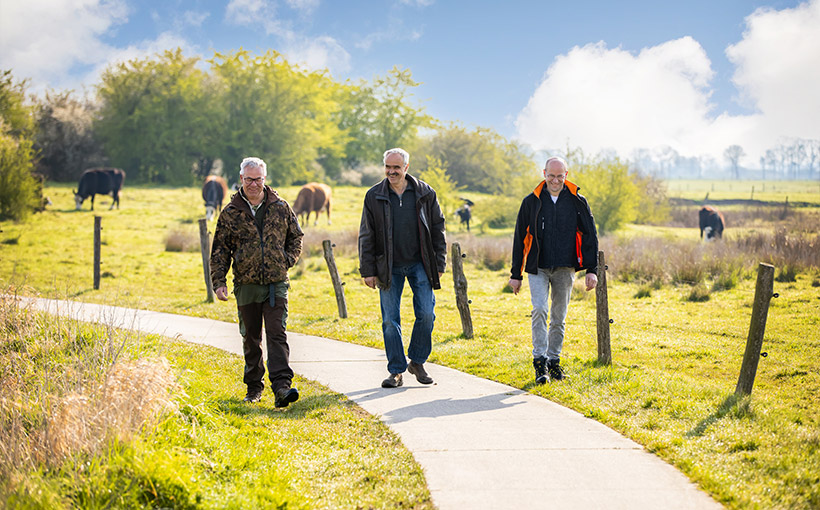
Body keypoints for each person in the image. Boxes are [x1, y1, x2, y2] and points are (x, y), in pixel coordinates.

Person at [210, 157, 304, 407]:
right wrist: (219, 282)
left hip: (276, 284)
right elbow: (220, 250)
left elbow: (296, 237)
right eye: (249, 179)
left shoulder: (280, 207)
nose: (254, 184)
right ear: (241, 179)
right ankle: (253, 388)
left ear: (265, 179)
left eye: (258, 179)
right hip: (246, 284)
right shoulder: (230, 213)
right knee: (251, 337)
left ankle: (282, 387)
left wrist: (286, 260)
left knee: (277, 333)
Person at [358, 148, 447, 388]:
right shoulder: (374, 195)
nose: (391, 171)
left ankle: (417, 362)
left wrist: (439, 263)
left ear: (406, 167)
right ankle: (396, 371)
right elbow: (367, 233)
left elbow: (438, 228)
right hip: (388, 266)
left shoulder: (425, 193)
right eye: (388, 166)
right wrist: (367, 270)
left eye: (396, 167)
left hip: (421, 264)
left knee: (427, 315)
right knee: (390, 320)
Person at [508, 156, 598, 384]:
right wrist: (515, 274)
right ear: (544, 173)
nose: (555, 180)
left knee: (559, 317)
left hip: (565, 267)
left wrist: (591, 269)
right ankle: (539, 363)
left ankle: (554, 361)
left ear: (566, 175)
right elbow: (519, 238)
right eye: (551, 175)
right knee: (539, 309)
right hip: (538, 267)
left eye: (560, 176)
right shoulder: (532, 201)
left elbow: (590, 235)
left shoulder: (578, 201)